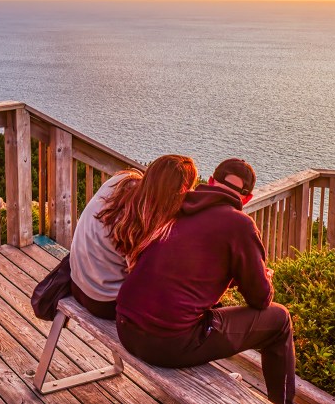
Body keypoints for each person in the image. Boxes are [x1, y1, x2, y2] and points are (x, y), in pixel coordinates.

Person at [115, 158, 297, 404]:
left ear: (211, 181)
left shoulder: (176, 207)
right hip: (167, 344)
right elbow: (260, 298)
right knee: (280, 319)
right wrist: (263, 277)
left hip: (125, 326)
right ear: (247, 198)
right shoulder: (240, 224)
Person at [69, 154, 198, 320]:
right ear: (181, 190)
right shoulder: (142, 221)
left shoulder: (121, 181)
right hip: (103, 302)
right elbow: (142, 279)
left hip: (76, 283)